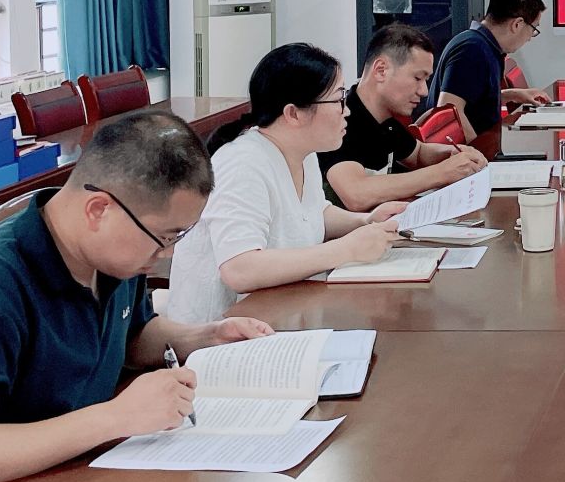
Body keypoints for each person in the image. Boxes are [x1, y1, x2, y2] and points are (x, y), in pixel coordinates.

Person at [0, 109, 273, 482]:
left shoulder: (115, 258)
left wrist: (205, 337)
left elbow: (131, 336)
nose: (167, 254)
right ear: (98, 209)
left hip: (83, 480)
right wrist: (115, 417)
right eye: (164, 237)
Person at [165, 43, 405, 323]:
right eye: (339, 100)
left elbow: (313, 213)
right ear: (293, 113)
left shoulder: (303, 152)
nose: (347, 111)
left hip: (281, 315)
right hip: (222, 333)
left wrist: (365, 221)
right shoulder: (243, 164)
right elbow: (239, 268)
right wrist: (346, 249)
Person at [322, 23, 489, 210]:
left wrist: (452, 153)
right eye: (418, 78)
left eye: (426, 80)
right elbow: (356, 194)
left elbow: (418, 154)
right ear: (381, 70)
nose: (424, 91)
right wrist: (442, 172)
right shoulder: (341, 120)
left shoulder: (385, 120)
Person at [422, 0, 551, 143]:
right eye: (533, 29)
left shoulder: (486, 46)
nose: (530, 38)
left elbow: (473, 99)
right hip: (460, 154)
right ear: (517, 24)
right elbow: (448, 112)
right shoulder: (472, 49)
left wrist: (512, 95)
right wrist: (479, 151)